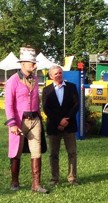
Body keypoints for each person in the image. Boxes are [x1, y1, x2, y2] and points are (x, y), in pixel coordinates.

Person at [4, 46, 49, 193]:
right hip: (19, 121)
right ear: (22, 63)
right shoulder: (13, 81)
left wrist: (40, 116)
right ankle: (15, 181)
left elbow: (36, 99)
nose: (34, 65)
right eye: (31, 62)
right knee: (15, 151)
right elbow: (8, 104)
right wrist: (12, 123)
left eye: (34, 62)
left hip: (34, 119)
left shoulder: (36, 79)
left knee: (36, 151)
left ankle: (36, 184)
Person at [42, 65, 79, 186]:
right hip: (53, 126)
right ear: (51, 76)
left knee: (72, 152)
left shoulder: (72, 87)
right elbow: (46, 109)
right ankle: (54, 178)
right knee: (53, 154)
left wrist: (66, 120)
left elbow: (76, 105)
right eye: (55, 74)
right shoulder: (46, 90)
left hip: (70, 125)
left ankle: (72, 178)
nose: (58, 75)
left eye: (60, 73)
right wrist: (59, 121)